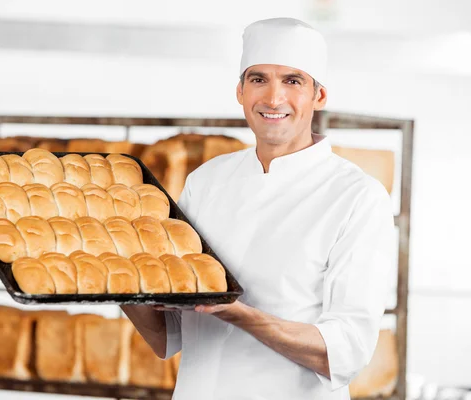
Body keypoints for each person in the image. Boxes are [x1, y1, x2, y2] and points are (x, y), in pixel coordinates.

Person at [122, 17, 394, 399]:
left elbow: (346, 352)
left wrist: (240, 314)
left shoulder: (357, 197)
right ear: (240, 90)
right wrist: (115, 280)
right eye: (259, 79)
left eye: (293, 81)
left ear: (319, 96)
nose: (273, 98)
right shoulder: (206, 181)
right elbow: (167, 336)